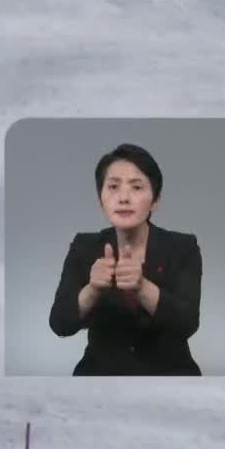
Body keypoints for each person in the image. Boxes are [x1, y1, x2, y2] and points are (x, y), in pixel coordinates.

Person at [47, 143, 202, 375]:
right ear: (101, 202)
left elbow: (188, 323)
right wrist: (92, 290)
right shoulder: (84, 247)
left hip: (169, 374)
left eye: (137, 187)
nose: (124, 198)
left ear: (156, 200)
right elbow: (60, 324)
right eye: (113, 187)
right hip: (100, 376)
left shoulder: (183, 247)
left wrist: (142, 287)